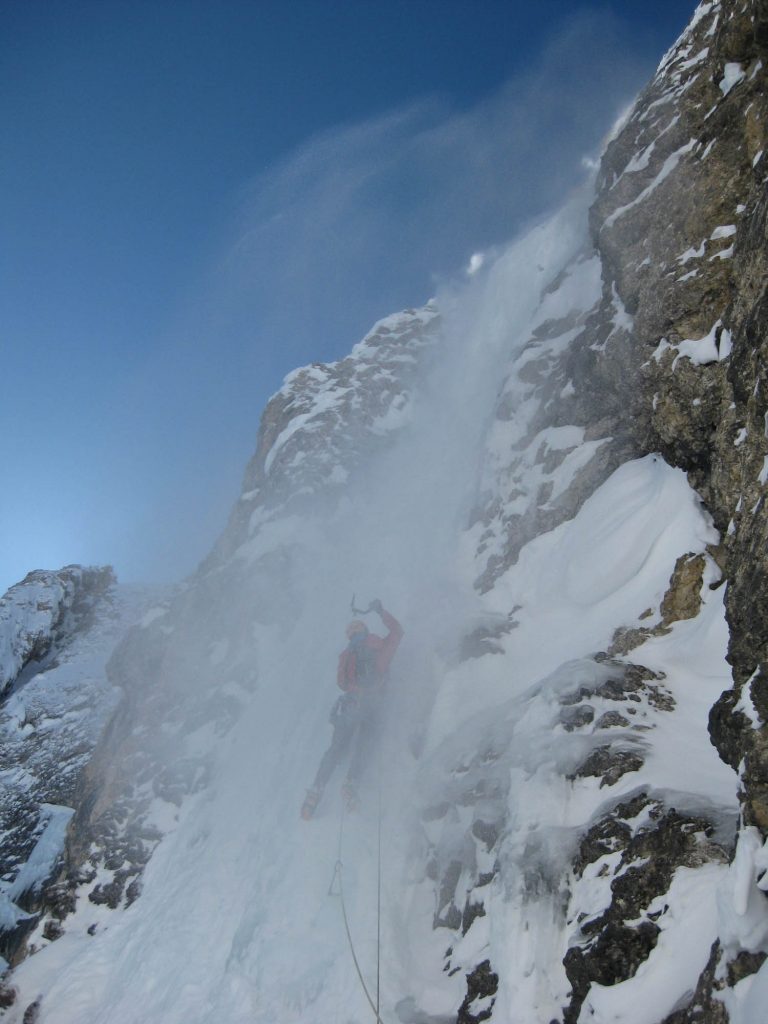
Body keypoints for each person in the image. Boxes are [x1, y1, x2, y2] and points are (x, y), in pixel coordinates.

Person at [301, 599, 403, 819]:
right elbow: (397, 632)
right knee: (365, 743)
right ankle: (351, 782)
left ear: (349, 636)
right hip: (373, 703)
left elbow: (342, 683)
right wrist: (381, 612)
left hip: (351, 704)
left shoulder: (346, 656)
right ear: (365, 630)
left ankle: (316, 788)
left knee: (336, 747)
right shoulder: (379, 647)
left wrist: (355, 689)